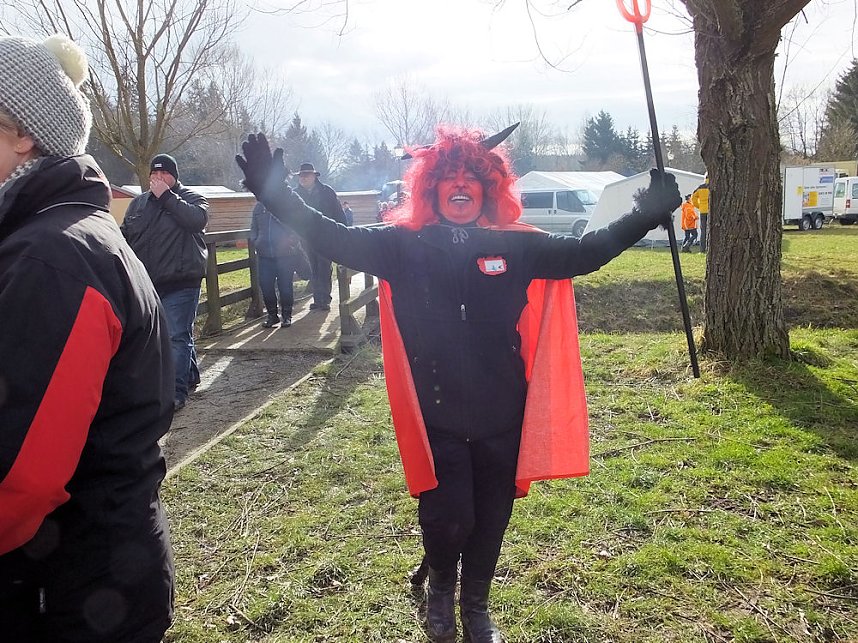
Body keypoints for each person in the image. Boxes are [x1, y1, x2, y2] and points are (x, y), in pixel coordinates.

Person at [236, 126, 680, 643]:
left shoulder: (514, 247)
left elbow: (585, 253)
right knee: (449, 519)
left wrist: (645, 212)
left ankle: (476, 606)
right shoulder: (399, 245)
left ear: (490, 186)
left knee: (490, 521)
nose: (461, 183)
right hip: (436, 415)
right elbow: (328, 235)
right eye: (449, 175)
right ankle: (441, 592)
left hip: (502, 412)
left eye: (473, 175)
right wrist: (274, 190)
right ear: (431, 187)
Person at [0, 34, 174, 642]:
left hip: (79, 593)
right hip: (90, 573)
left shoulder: (54, 259)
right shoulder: (56, 239)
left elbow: (22, 474)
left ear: (22, 132)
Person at [121, 153, 209, 411]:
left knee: (176, 336)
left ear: (174, 177)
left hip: (182, 280)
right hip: (148, 283)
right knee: (171, 336)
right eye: (154, 175)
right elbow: (124, 237)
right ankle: (189, 376)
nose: (157, 179)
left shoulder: (192, 198)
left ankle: (176, 392)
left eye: (163, 175)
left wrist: (167, 198)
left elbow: (197, 220)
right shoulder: (138, 205)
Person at [294, 162, 347, 311]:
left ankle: (324, 299)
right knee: (312, 268)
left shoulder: (326, 191)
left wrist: (342, 232)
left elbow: (338, 213)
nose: (303, 178)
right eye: (301, 175)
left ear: (314, 176)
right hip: (306, 238)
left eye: (306, 175)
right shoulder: (295, 194)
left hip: (326, 235)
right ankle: (318, 299)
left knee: (324, 267)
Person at [251, 201, 307, 328]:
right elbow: (253, 227)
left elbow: (297, 225)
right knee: (265, 285)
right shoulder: (259, 207)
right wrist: (256, 241)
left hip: (285, 254)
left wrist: (292, 240)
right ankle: (272, 316)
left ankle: (287, 316)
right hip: (264, 254)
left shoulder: (286, 204)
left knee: (285, 286)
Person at [691, 173, 710, 252]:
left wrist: (699, 206)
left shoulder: (700, 187)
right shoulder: (715, 186)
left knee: (703, 230)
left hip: (703, 211)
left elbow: (693, 198)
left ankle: (702, 249)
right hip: (712, 211)